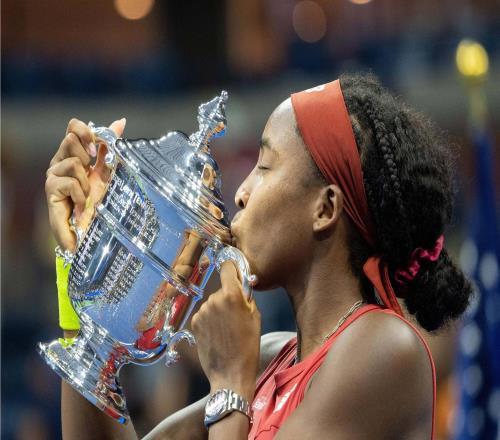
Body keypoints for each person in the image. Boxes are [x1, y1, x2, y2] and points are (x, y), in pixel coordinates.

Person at [45, 73, 472, 439]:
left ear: (324, 208)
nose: (241, 193)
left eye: (264, 166)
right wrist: (86, 256)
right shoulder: (269, 356)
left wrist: (230, 385)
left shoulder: (387, 348)